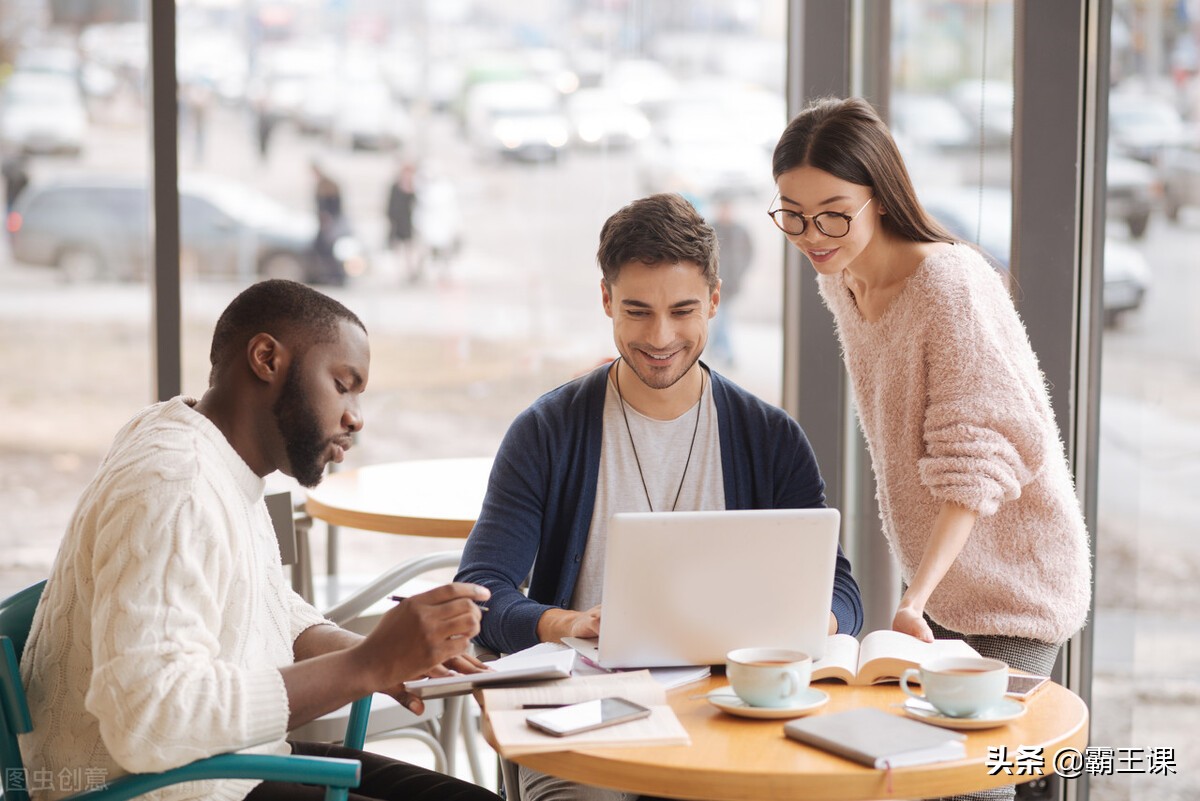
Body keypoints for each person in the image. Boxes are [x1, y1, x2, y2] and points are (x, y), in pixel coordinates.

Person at [19, 280, 500, 801]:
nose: (356, 417)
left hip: (222, 763)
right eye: (343, 384)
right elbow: (148, 721)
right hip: (151, 786)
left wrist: (378, 655)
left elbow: (258, 602)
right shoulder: (176, 482)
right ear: (266, 358)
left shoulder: (208, 450)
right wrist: (365, 666)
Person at [455, 193, 863, 801]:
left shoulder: (770, 438)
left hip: (731, 710)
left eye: (682, 310)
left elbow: (843, 595)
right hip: (584, 711)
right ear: (606, 301)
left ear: (715, 302)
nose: (661, 336)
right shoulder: (546, 433)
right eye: (638, 311)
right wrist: (571, 623)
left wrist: (797, 623)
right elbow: (483, 592)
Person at [770, 97, 1091, 801]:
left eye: (832, 212)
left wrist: (914, 595)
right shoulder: (842, 277)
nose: (811, 234)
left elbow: (975, 462)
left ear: (879, 197)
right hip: (944, 583)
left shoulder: (948, 281)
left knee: (976, 777)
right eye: (791, 213)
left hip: (1014, 583)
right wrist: (924, 594)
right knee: (946, 769)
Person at [706, 194, 754, 365]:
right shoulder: (711, 228)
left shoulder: (740, 230)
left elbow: (749, 253)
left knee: (722, 316)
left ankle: (713, 348)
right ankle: (727, 353)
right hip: (715, 280)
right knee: (722, 316)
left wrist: (741, 272)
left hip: (733, 282)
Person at [311, 161, 347, 286]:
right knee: (322, 248)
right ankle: (329, 274)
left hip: (329, 224)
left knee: (328, 249)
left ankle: (336, 275)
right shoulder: (323, 184)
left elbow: (333, 205)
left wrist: (328, 217)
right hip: (324, 223)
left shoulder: (327, 185)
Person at [385, 161, 419, 283]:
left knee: (410, 249)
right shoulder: (395, 187)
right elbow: (390, 205)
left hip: (410, 222)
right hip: (398, 221)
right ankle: (398, 273)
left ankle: (411, 272)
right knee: (397, 248)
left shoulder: (415, 187)